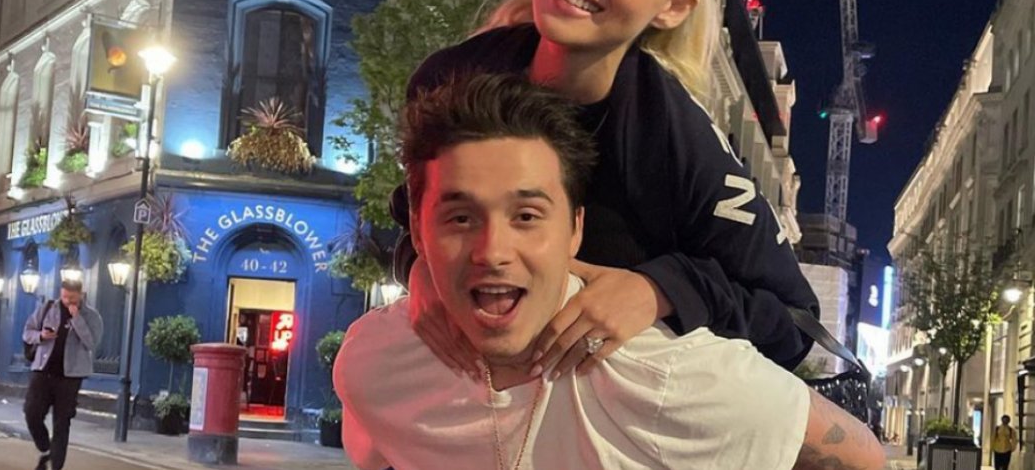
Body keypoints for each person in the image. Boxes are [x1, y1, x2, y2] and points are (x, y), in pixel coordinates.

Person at [336, 74, 884, 470]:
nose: (492, 251)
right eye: (460, 218)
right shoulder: (376, 361)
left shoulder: (659, 375)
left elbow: (861, 456)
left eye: (527, 216)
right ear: (417, 227)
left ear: (575, 228)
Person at [402, 0, 820, 385]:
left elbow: (795, 321)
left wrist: (659, 291)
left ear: (673, 6)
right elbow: (412, 210)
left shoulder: (677, 140)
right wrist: (416, 266)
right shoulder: (448, 80)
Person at [22, 280, 103, 470]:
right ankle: (45, 448)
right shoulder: (47, 308)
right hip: (43, 371)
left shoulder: (91, 316)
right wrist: (41, 336)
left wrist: (77, 319)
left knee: (62, 422)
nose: (67, 301)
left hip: (70, 377)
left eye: (72, 298)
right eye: (65, 296)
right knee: (31, 413)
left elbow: (92, 343)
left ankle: (55, 466)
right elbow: (27, 332)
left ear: (81, 295)